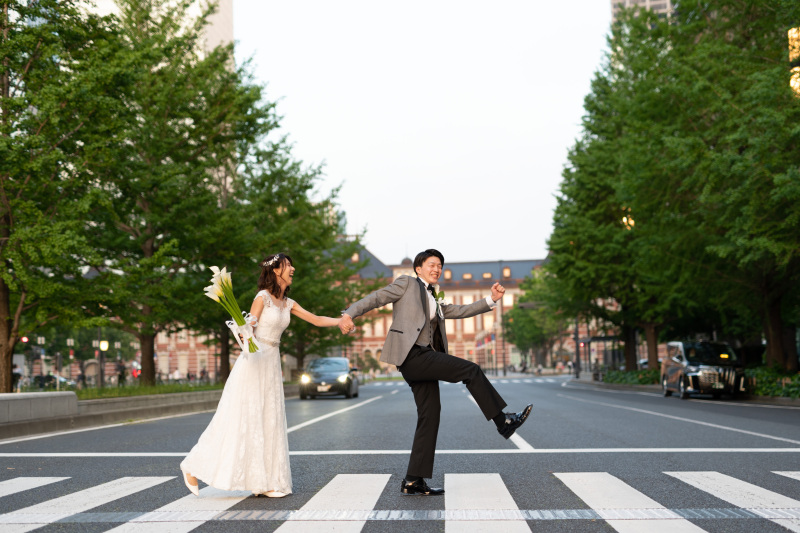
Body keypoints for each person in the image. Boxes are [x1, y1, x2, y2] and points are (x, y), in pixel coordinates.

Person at [338, 249, 533, 496]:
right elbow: (376, 298)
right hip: (413, 355)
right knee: (470, 370)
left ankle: (413, 480)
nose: (436, 269)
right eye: (432, 264)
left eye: (439, 265)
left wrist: (490, 300)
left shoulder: (434, 297)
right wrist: (349, 313)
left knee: (430, 415)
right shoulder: (406, 283)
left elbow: (459, 311)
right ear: (418, 268)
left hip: (424, 356)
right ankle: (502, 421)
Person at [181, 252, 341, 498]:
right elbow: (248, 327)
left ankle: (264, 481)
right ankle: (192, 466)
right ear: (276, 270)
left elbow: (317, 319)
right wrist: (245, 333)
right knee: (240, 420)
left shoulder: (288, 303)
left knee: (268, 421)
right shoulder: (262, 297)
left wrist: (341, 321)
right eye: (289, 265)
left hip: (270, 362)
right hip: (254, 362)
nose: (293, 269)